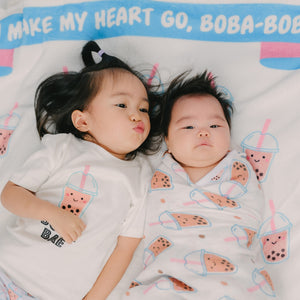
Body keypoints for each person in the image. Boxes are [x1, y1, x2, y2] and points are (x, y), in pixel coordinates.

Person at [0, 40, 161, 300]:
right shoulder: (63, 148)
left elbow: (125, 248)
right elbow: (10, 195)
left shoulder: (140, 176)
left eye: (143, 109)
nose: (137, 115)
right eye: (122, 105)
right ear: (83, 120)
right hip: (9, 269)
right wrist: (51, 213)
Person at [124, 71, 277, 299]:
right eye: (188, 127)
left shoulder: (239, 170)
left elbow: (249, 212)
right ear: (167, 139)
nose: (204, 132)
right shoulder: (155, 175)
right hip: (169, 277)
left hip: (235, 277)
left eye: (215, 126)